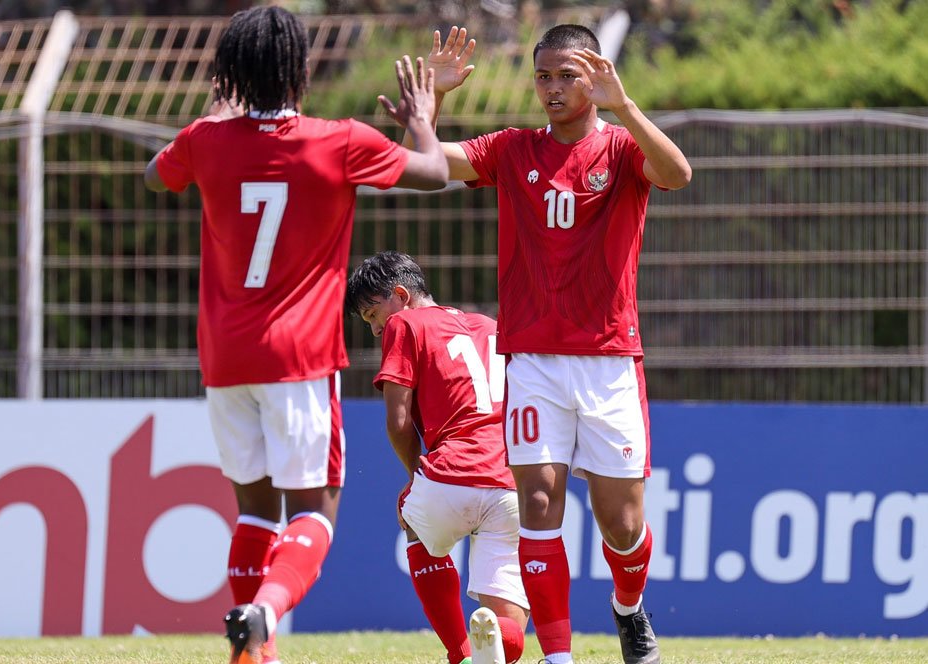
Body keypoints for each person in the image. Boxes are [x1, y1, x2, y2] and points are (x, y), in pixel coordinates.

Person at [143, 7, 448, 664]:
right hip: (299, 358)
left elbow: (155, 174)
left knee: (254, 511)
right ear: (300, 70)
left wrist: (215, 119)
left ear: (232, 74)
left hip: (225, 358)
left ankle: (253, 654)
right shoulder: (336, 140)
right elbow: (436, 173)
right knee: (314, 511)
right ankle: (264, 614)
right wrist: (422, 120)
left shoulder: (205, 138)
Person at [410, 24, 693, 664]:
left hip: (610, 362)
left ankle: (628, 607)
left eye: (569, 75)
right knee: (538, 504)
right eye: (545, 77)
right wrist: (433, 102)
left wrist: (624, 105)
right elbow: (426, 166)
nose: (555, 88)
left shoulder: (621, 150)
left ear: (595, 75)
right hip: (533, 361)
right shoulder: (513, 149)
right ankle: (558, 657)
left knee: (623, 526)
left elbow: (677, 173)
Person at [345, 250, 529, 664]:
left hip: (453, 472)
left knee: (414, 520)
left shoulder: (405, 323)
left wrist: (416, 477)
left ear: (400, 295)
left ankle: (461, 654)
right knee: (507, 626)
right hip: (511, 481)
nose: (376, 329)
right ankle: (502, 642)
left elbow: (397, 421)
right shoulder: (489, 326)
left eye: (373, 314)